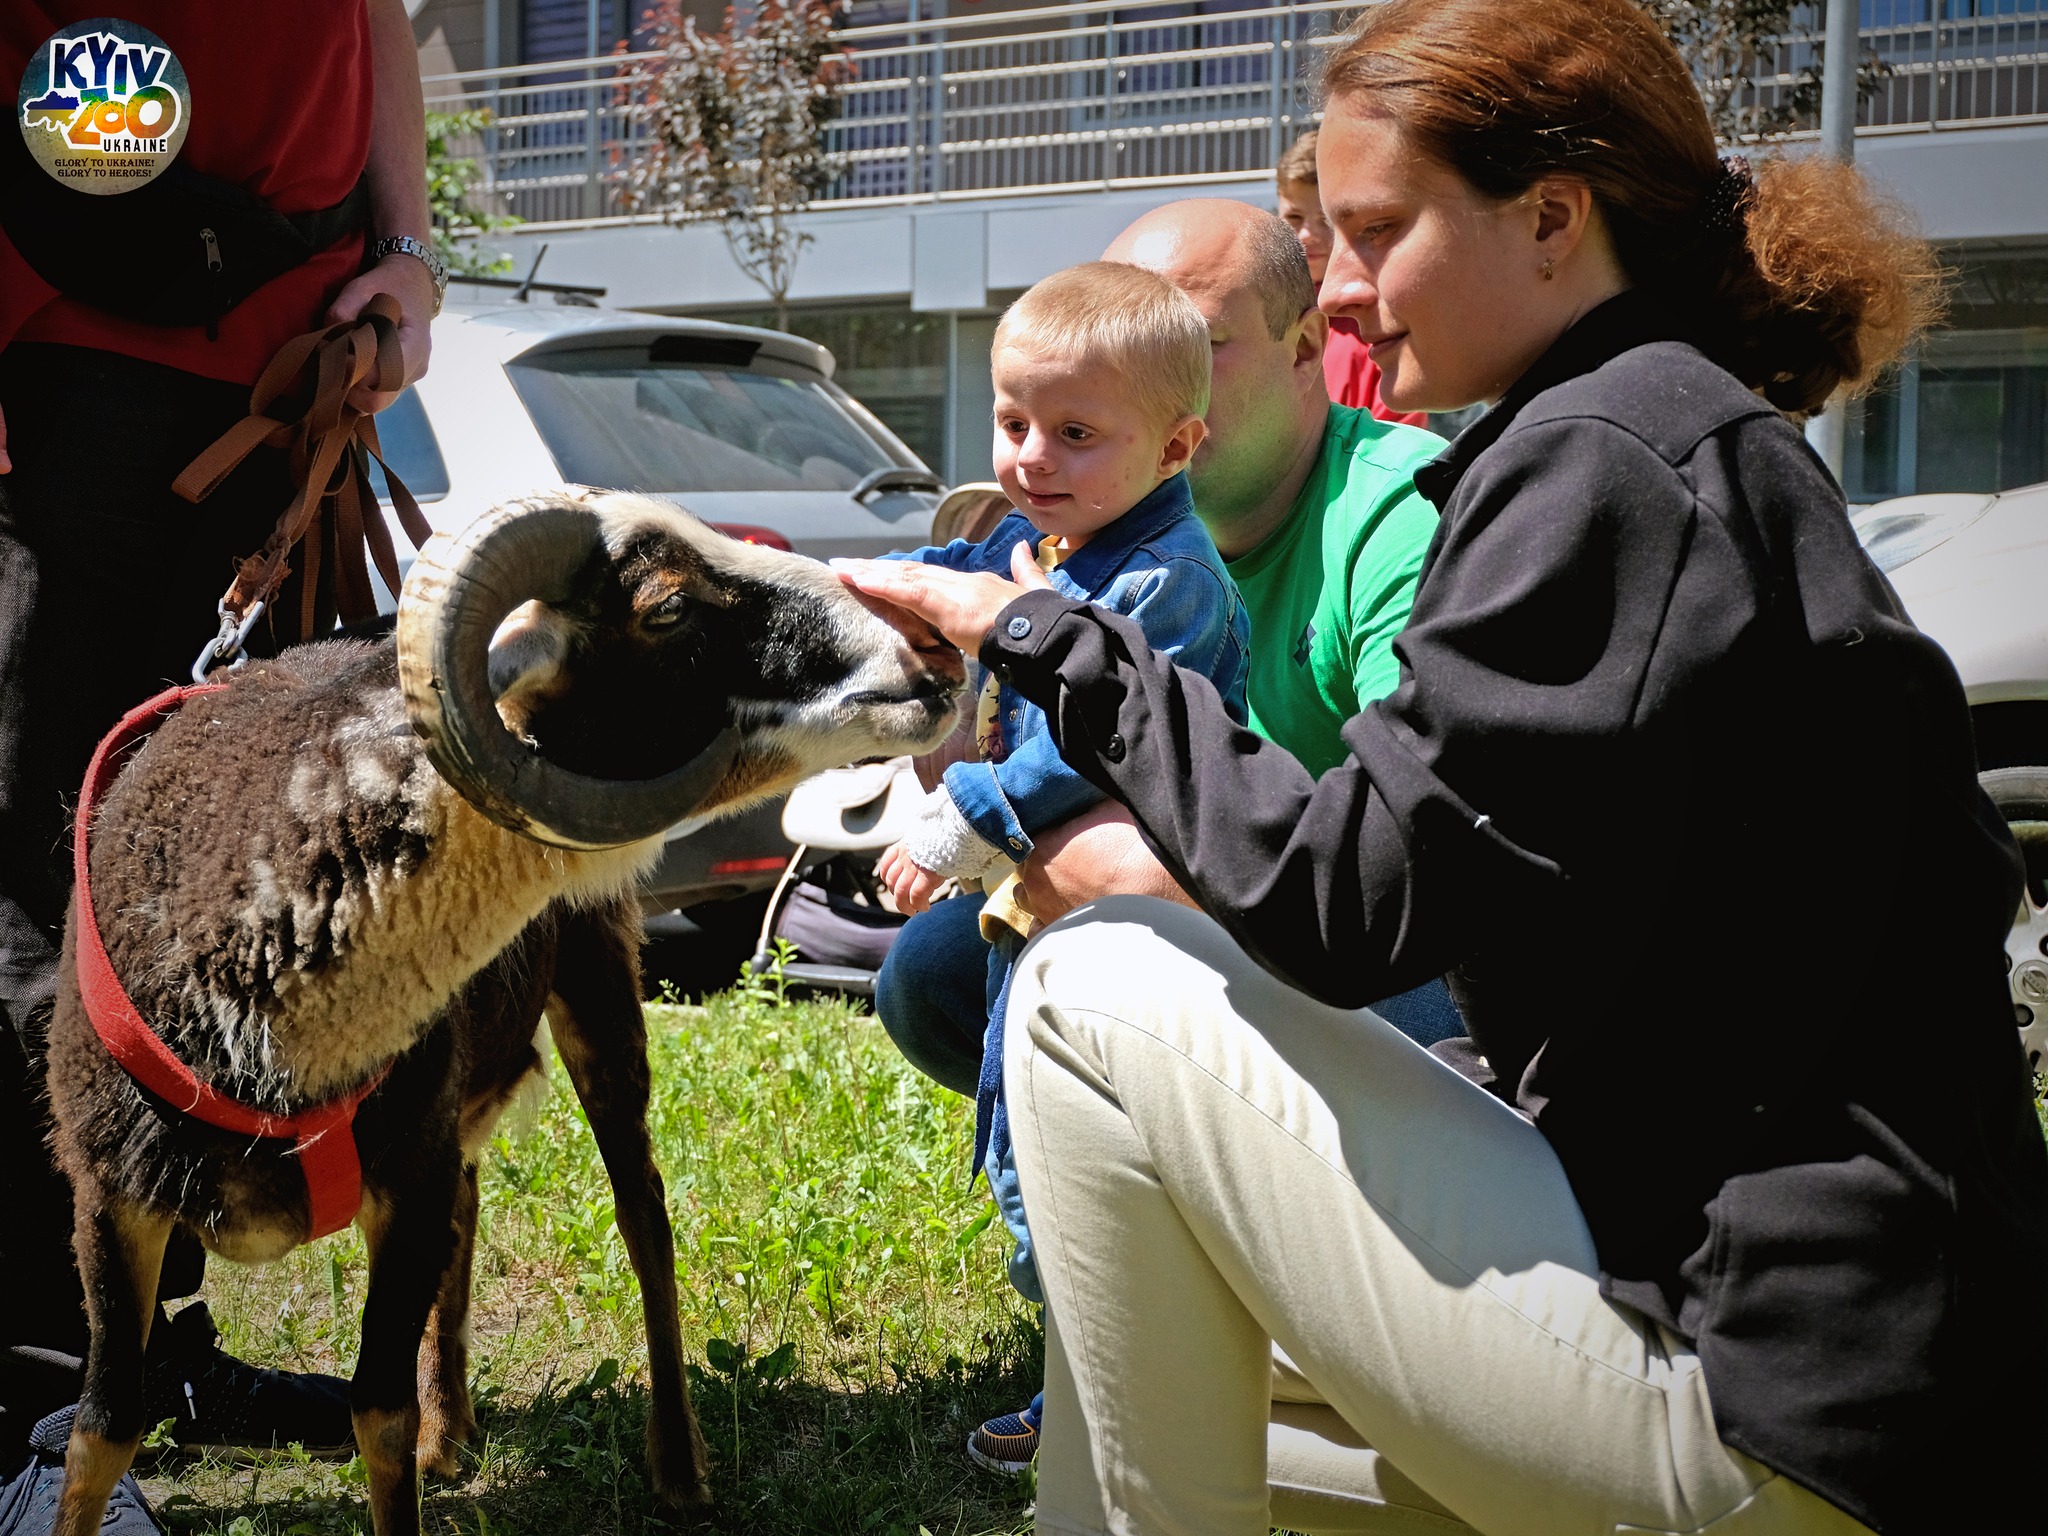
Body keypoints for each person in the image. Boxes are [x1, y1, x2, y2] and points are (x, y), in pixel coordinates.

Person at [833, 0, 2048, 1529]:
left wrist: (1054, 640)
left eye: (1375, 233)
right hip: (1895, 1398)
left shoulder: (1608, 462)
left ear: (1551, 219)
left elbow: (1348, 904)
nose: (1335, 293)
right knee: (1208, 1417)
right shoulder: (1672, 433)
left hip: (1776, 1425)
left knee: (1093, 986)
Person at [873, 199, 1454, 1474]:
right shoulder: (1066, 531)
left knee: (1100, 907)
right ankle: (1140, 1250)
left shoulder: (1397, 518)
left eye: (1182, 340)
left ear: (1304, 345)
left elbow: (1405, 852)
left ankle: (1308, 1289)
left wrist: (1082, 832)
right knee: (928, 970)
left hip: (1373, 940)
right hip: (1171, 909)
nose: (1062, 427)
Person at [0, 3, 438, 1525]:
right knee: (40, 895)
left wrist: (411, 256)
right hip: (62, 356)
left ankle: (151, 1349)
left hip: (292, 361)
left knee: (206, 913)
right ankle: (35, 1401)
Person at [873, 258, 1250, 1352]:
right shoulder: (1046, 544)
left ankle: (1119, 1383)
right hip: (1049, 912)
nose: (1032, 457)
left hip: (1145, 927)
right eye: (1012, 421)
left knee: (1093, 1142)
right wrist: (858, 582)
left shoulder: (1162, 581)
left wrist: (966, 814)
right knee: (1028, 1136)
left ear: (1176, 446)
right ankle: (1096, 1367)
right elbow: (948, 564)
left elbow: (1108, 743)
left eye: (1074, 433)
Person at [1276, 129, 1426, 427]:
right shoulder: (1258, 312)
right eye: (1294, 218)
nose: (1307, 234)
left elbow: (1398, 446)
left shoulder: (1381, 327)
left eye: (1325, 220)